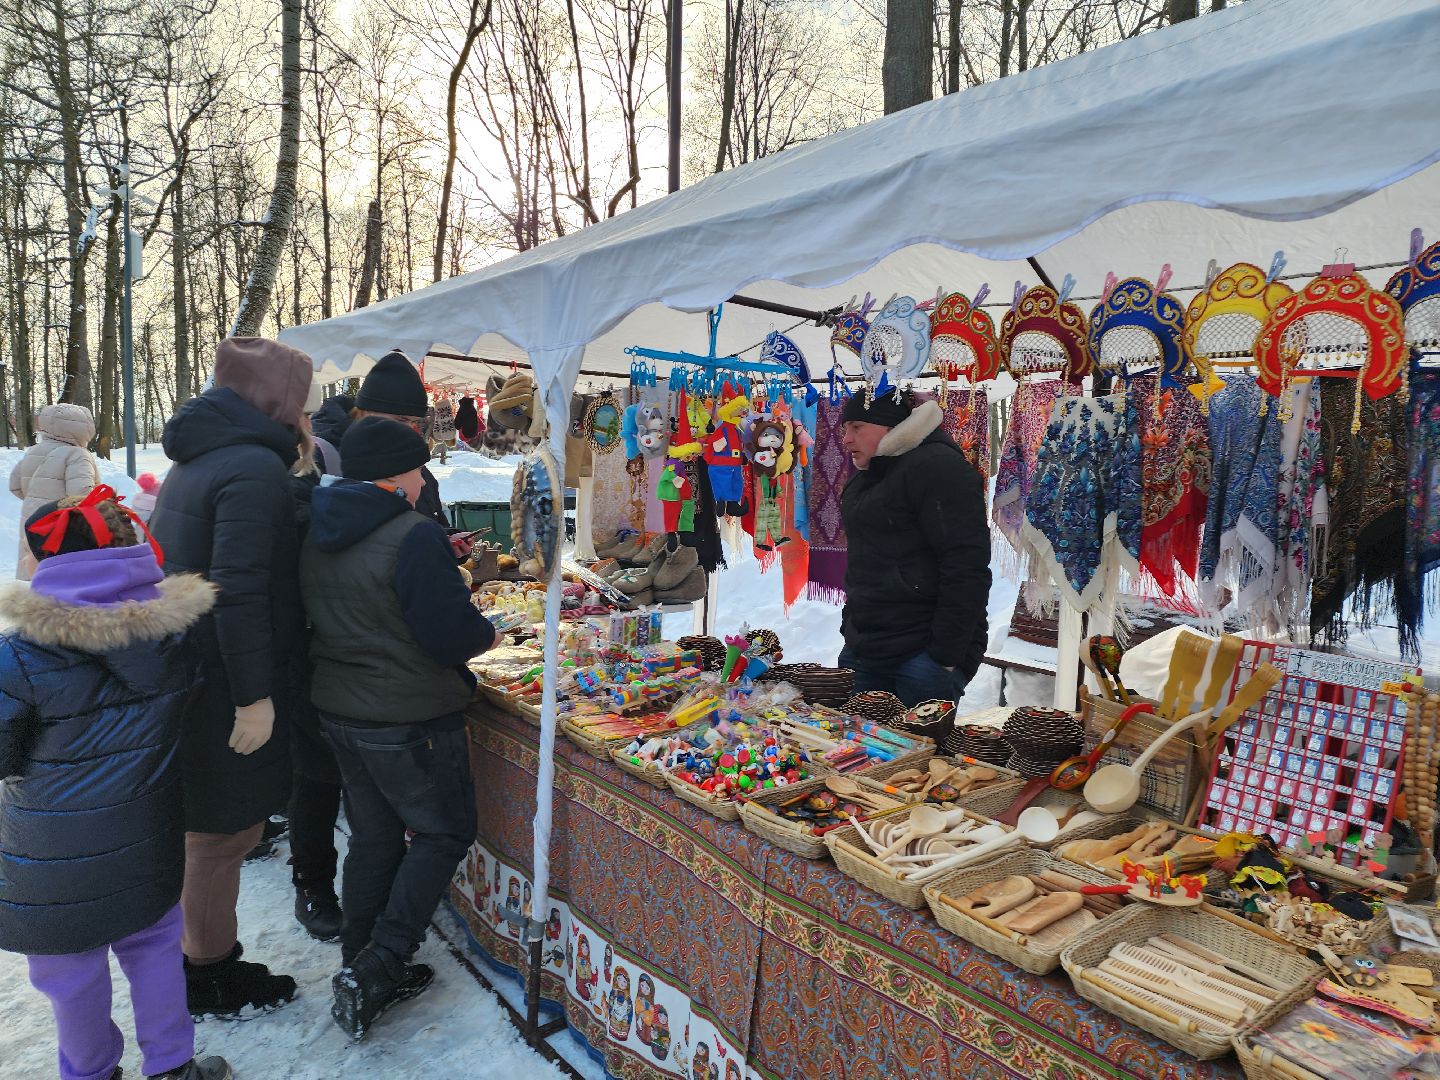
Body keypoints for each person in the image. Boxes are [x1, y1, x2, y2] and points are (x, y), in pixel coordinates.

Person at [0, 488, 231, 1080]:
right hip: (147, 834)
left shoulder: (17, 656)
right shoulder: (176, 637)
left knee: (68, 973)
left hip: (51, 857)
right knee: (154, 947)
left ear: (48, 565)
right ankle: (173, 1064)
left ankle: (89, 1071)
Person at [300, 418, 495, 1039]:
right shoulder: (411, 534)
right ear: (397, 474)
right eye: (419, 469)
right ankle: (382, 962)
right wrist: (484, 628)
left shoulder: (318, 520)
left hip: (341, 706)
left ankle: (359, 957)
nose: (423, 480)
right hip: (406, 714)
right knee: (444, 832)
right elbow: (448, 635)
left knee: (376, 837)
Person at [148, 336, 312, 1018]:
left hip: (193, 667)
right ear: (277, 401)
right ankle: (207, 974)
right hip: (222, 681)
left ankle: (204, 960)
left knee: (219, 833)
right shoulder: (250, 468)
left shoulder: (204, 457)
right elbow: (238, 591)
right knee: (221, 838)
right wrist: (254, 698)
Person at [836, 389, 991, 708]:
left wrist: (943, 656)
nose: (847, 439)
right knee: (857, 753)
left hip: (921, 655)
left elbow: (967, 568)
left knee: (917, 756)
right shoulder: (868, 476)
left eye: (856, 427)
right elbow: (865, 563)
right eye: (844, 429)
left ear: (889, 425)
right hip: (868, 647)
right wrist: (852, 627)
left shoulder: (939, 468)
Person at [286, 382, 344, 942]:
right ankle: (313, 883)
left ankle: (316, 880)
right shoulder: (289, 496)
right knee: (318, 776)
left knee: (320, 775)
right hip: (304, 656)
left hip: (316, 652)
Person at [351, 350, 451, 529]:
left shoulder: (415, 466)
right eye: (401, 419)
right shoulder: (338, 460)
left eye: (412, 421)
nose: (409, 428)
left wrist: (448, 540)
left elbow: (433, 518)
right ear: (368, 412)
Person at [9, 403, 100, 580]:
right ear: (84, 428)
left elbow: (15, 485)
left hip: (30, 521)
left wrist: (36, 501)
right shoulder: (77, 454)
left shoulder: (33, 452)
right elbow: (82, 494)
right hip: (62, 525)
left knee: (34, 571)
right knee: (60, 579)